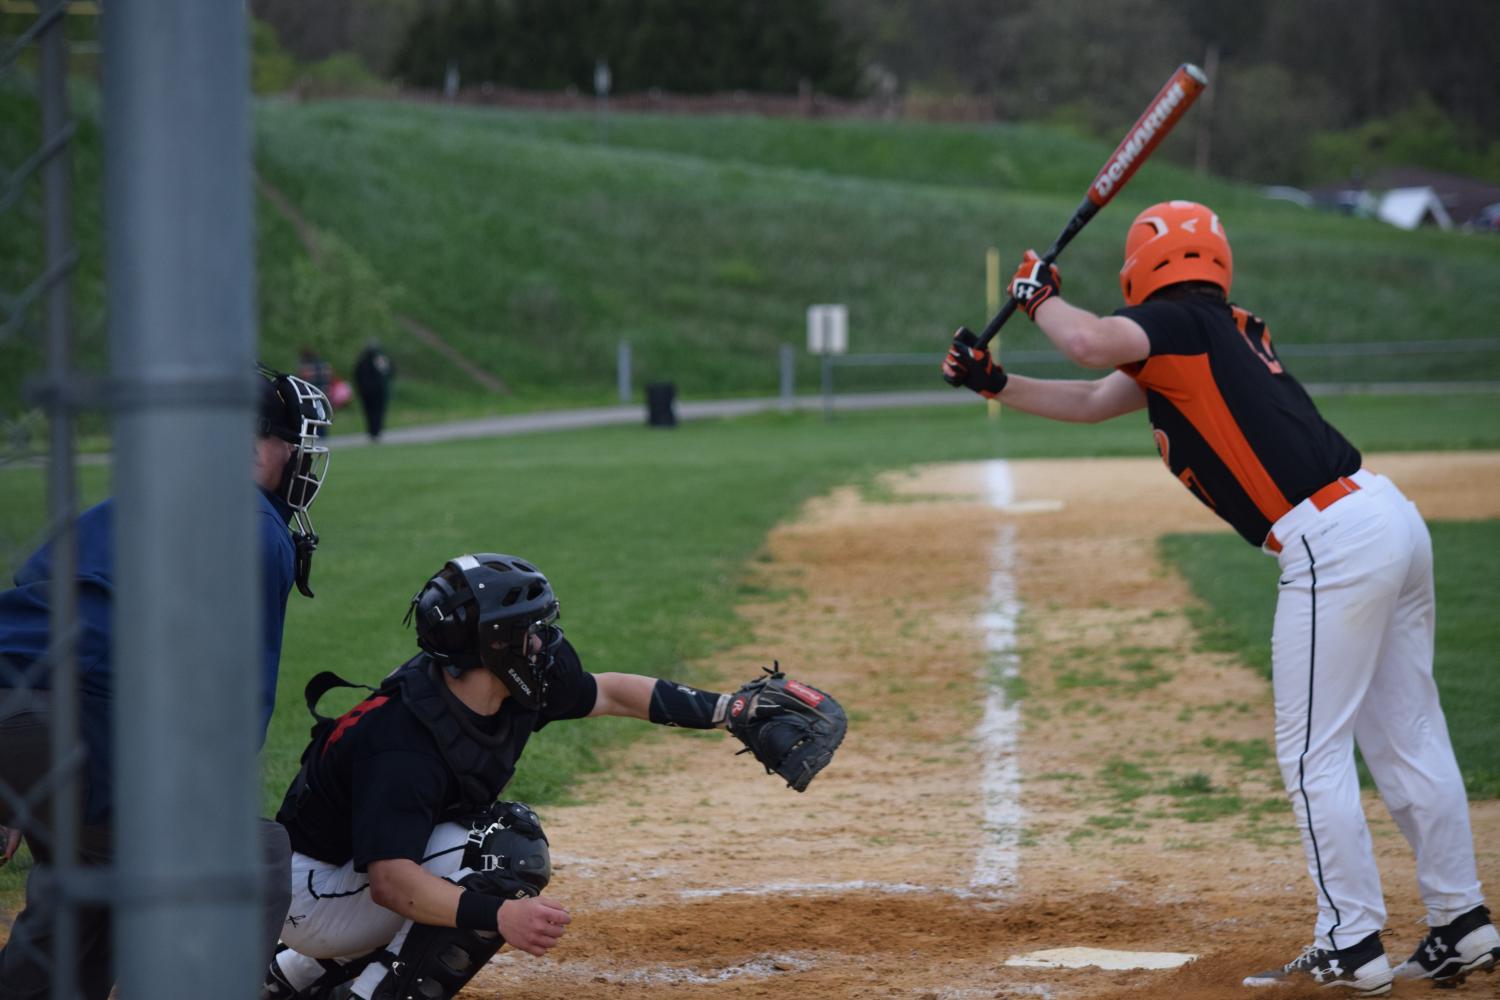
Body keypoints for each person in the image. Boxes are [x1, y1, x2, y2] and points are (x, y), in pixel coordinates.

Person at [941, 200, 1499, 995]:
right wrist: (995, 382)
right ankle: (1462, 921)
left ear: (1144, 269)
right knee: (1409, 732)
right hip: (1385, 517)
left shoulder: (1181, 327)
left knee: (1313, 755)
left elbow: (1092, 339)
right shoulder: (1219, 331)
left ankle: (1351, 941)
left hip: (1331, 542)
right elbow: (1095, 398)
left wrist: (1038, 296)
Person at [261, 552, 844, 1000]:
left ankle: (290, 977)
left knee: (491, 835)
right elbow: (392, 883)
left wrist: (727, 711)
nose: (544, 642)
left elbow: (613, 692)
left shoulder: (510, 682)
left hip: (350, 874)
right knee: (501, 854)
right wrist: (499, 916)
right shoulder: (403, 742)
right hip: (312, 894)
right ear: (490, 644)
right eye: (529, 631)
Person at [0, 366, 333, 998]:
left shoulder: (134, 499)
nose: (298, 461)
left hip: (35, 713)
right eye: (290, 442)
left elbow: (32, 591)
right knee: (250, 853)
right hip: (65, 725)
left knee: (92, 871)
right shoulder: (255, 525)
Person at [352, 341, 395, 441]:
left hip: (369, 393)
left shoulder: (364, 362)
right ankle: (375, 431)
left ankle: (374, 431)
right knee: (376, 412)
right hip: (376, 392)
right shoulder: (379, 361)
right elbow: (388, 374)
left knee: (371, 412)